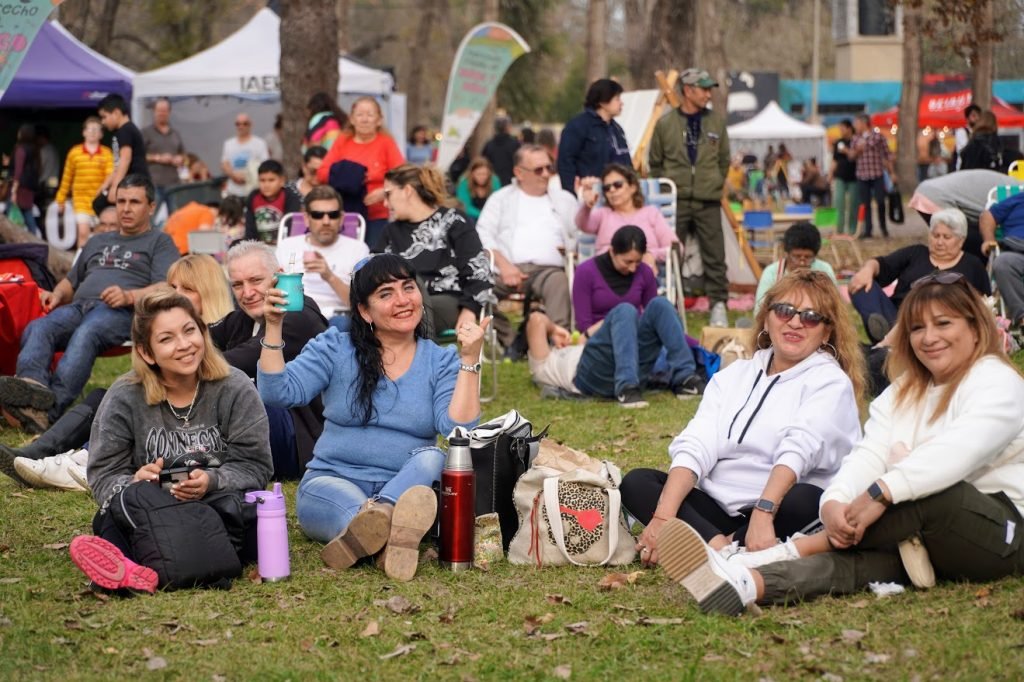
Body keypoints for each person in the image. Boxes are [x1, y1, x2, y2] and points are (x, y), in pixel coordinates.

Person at [659, 274, 1024, 614]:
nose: (929, 337)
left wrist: (878, 493)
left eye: (943, 324)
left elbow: (956, 455)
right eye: (917, 328)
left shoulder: (997, 382)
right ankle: (748, 583)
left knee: (931, 493)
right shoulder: (905, 390)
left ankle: (759, 556)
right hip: (918, 533)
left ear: (976, 328)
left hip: (997, 533)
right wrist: (835, 503)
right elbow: (870, 452)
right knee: (853, 565)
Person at [257, 254, 486, 581]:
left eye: (408, 287)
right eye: (385, 293)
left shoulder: (438, 360)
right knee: (353, 508)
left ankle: (374, 533)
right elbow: (278, 392)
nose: (403, 300)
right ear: (364, 311)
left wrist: (468, 360)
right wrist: (274, 326)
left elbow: (458, 430)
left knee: (433, 458)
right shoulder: (335, 347)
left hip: (409, 485)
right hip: (332, 483)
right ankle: (394, 533)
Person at [621, 270, 866, 566]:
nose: (796, 322)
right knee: (637, 483)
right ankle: (722, 548)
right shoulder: (733, 375)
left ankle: (707, 545)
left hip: (780, 508)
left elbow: (800, 448)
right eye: (785, 310)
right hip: (719, 511)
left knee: (807, 500)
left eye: (811, 316)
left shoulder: (830, 382)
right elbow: (698, 443)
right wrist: (662, 517)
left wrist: (764, 512)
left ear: (826, 332)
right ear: (767, 316)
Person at [68, 288, 272, 595]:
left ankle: (142, 568)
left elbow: (256, 467)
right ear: (147, 353)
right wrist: (136, 482)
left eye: (190, 331)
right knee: (111, 516)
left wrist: (212, 481)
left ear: (203, 331)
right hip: (153, 510)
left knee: (258, 521)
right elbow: (104, 477)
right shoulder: (124, 397)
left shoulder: (235, 386)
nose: (184, 345)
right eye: (166, 339)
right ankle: (180, 565)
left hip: (216, 508)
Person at [3, 255, 235, 491]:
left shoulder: (221, 333)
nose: (175, 294)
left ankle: (83, 460)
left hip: (188, 434)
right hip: (163, 422)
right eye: (172, 286)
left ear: (208, 292)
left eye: (187, 288)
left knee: (124, 400)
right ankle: (47, 452)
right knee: (107, 396)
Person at [0, 174, 179, 434]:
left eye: (134, 202)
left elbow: (165, 286)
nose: (126, 208)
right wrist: (57, 295)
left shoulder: (160, 242)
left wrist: (129, 296)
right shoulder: (97, 241)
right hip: (79, 306)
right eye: (121, 201)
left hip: (121, 311)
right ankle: (31, 391)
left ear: (151, 207)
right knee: (39, 327)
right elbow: (71, 282)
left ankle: (49, 411)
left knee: (87, 333)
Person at [212, 241, 329, 479]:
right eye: (237, 285)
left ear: (280, 277)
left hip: (302, 442)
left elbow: (239, 360)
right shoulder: (241, 319)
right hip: (259, 433)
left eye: (256, 281)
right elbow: (199, 336)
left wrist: (183, 367)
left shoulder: (297, 313)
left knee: (240, 390)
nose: (247, 293)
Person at [567, 225, 704, 404]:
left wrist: (699, 347)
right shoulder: (586, 272)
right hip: (599, 359)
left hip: (634, 357)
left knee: (660, 304)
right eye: (627, 262)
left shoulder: (644, 273)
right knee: (626, 311)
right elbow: (584, 326)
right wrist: (616, 318)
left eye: (637, 262)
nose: (633, 268)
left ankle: (685, 378)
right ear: (612, 251)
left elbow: (659, 321)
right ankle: (626, 388)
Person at [649, 68, 731, 328]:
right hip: (677, 200)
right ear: (687, 90)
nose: (708, 94)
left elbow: (724, 160)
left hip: (708, 198)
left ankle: (718, 304)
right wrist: (671, 188)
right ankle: (669, 303)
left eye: (709, 89)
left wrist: (715, 181)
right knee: (671, 252)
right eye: (703, 89)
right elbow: (655, 162)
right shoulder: (665, 124)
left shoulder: (716, 122)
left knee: (715, 253)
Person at [476, 144, 578, 348]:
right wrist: (504, 266)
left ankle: (558, 341)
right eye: (539, 169)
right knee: (475, 289)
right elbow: (482, 234)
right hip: (504, 269)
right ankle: (510, 341)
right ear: (519, 173)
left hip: (548, 270)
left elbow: (578, 234)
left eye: (550, 168)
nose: (547, 174)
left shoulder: (564, 199)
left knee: (559, 283)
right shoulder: (501, 199)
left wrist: (571, 251)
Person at [378, 164, 494, 336]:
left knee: (411, 286)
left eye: (388, 194)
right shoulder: (390, 232)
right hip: (399, 302)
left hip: (446, 300)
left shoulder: (454, 221)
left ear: (407, 191)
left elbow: (478, 271)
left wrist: (470, 309)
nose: (385, 202)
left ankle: (423, 360)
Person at [849, 208, 989, 344]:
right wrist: (867, 269)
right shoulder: (916, 253)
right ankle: (889, 337)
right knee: (860, 285)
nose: (940, 242)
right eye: (936, 236)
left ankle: (893, 342)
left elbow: (984, 302)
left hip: (933, 324)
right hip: (894, 316)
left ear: (961, 240)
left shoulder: (973, 265)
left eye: (947, 237)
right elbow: (882, 264)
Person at [275, 185, 369, 332]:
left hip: (338, 318)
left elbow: (361, 305)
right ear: (306, 219)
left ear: (341, 218)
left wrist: (329, 276)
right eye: (318, 215)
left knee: (343, 326)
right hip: (296, 315)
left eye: (333, 215)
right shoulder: (288, 246)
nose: (326, 221)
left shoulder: (357, 249)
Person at [316, 97, 405, 248]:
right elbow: (322, 173)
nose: (365, 119)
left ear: (379, 120)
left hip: (378, 215)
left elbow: (403, 176)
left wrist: (384, 191)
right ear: (351, 119)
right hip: (344, 214)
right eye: (360, 114)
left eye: (370, 115)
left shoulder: (386, 143)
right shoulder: (343, 141)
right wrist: (351, 177)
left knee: (373, 258)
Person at [576, 163, 678, 267]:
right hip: (608, 274)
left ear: (632, 187)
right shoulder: (603, 214)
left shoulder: (651, 213)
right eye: (606, 188)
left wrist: (651, 255)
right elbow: (582, 225)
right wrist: (587, 206)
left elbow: (676, 250)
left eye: (618, 185)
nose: (612, 190)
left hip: (641, 272)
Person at [911, 169, 1023, 260]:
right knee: (969, 245)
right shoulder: (1015, 191)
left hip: (928, 190)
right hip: (938, 197)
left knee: (952, 245)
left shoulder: (1010, 185)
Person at [557, 79, 632, 194]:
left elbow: (626, 161)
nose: (621, 103)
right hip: (590, 194)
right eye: (617, 99)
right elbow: (566, 162)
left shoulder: (617, 129)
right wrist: (572, 194)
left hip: (619, 194)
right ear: (603, 102)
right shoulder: (578, 126)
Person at [55, 117, 115, 248]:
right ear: (84, 132)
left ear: (101, 134)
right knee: (83, 233)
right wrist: (61, 199)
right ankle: (81, 264)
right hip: (81, 201)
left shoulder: (106, 153)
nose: (93, 132)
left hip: (100, 202)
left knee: (100, 234)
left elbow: (111, 174)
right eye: (90, 129)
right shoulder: (74, 153)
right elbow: (67, 177)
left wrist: (103, 189)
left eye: (96, 130)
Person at [755, 222, 838, 311]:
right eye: (796, 256)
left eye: (808, 257)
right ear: (787, 253)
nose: (802, 263)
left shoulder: (824, 270)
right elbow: (760, 309)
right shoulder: (772, 272)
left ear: (815, 254)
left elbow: (835, 304)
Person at [843, 113, 895, 239]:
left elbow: (887, 155)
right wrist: (855, 151)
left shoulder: (878, 137)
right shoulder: (855, 139)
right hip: (862, 175)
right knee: (865, 204)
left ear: (864, 123)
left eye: (857, 123)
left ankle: (883, 227)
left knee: (881, 201)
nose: (855, 126)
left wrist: (892, 173)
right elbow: (851, 157)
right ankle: (868, 230)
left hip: (877, 173)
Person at [97, 94, 149, 206]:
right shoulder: (122, 132)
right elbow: (117, 166)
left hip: (135, 185)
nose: (103, 122)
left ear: (116, 113)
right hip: (130, 184)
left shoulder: (126, 131)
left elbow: (125, 159)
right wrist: (105, 185)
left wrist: (115, 187)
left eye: (104, 117)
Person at [984, 191, 1024, 329]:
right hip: (1017, 249)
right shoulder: (1019, 198)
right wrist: (988, 239)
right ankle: (1022, 317)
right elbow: (988, 216)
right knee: (1002, 263)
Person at [242, 159, 303, 245]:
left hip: (284, 247)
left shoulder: (290, 197)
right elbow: (250, 228)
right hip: (259, 249)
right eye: (262, 180)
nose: (266, 185)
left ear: (282, 181)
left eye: (271, 180)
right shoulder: (253, 197)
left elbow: (291, 227)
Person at [141, 98, 186, 208]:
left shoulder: (175, 133)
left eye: (164, 110)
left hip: (173, 183)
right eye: (159, 110)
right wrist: (158, 158)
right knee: (153, 217)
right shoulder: (145, 132)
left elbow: (184, 155)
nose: (162, 113)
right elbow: (138, 156)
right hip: (153, 183)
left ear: (169, 112)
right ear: (154, 112)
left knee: (175, 216)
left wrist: (180, 159)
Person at [221, 114, 269, 197]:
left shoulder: (259, 143)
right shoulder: (228, 143)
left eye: (245, 123)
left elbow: (265, 164)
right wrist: (233, 175)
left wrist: (248, 176)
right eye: (238, 124)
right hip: (233, 191)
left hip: (254, 191)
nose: (241, 126)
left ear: (250, 125)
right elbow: (224, 164)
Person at [6, 124, 41, 236]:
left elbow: (18, 170)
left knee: (11, 215)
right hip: (29, 187)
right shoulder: (35, 150)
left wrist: (13, 191)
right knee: (27, 213)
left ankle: (11, 241)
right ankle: (34, 237)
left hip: (19, 187)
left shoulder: (20, 149)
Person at [829, 119, 859, 235]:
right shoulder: (838, 142)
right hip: (840, 176)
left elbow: (855, 155)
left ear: (849, 128)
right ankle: (838, 229)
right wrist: (831, 174)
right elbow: (835, 160)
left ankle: (852, 229)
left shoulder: (856, 141)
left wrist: (846, 151)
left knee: (853, 204)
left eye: (842, 128)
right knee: (838, 203)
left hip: (854, 177)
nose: (841, 130)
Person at [454, 157, 501, 221]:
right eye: (478, 174)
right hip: (471, 217)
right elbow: (465, 206)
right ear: (472, 173)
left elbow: (498, 203)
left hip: (490, 216)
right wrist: (482, 215)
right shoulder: (464, 183)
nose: (482, 177)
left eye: (485, 174)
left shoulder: (494, 181)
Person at [481, 116, 520, 186]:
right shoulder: (515, 144)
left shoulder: (489, 145)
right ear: (507, 127)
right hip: (511, 182)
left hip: (492, 182)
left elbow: (483, 162)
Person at [954, 104, 982, 171]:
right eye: (973, 115)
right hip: (964, 168)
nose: (977, 118)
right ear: (967, 118)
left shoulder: (980, 133)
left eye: (978, 116)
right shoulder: (961, 132)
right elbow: (965, 148)